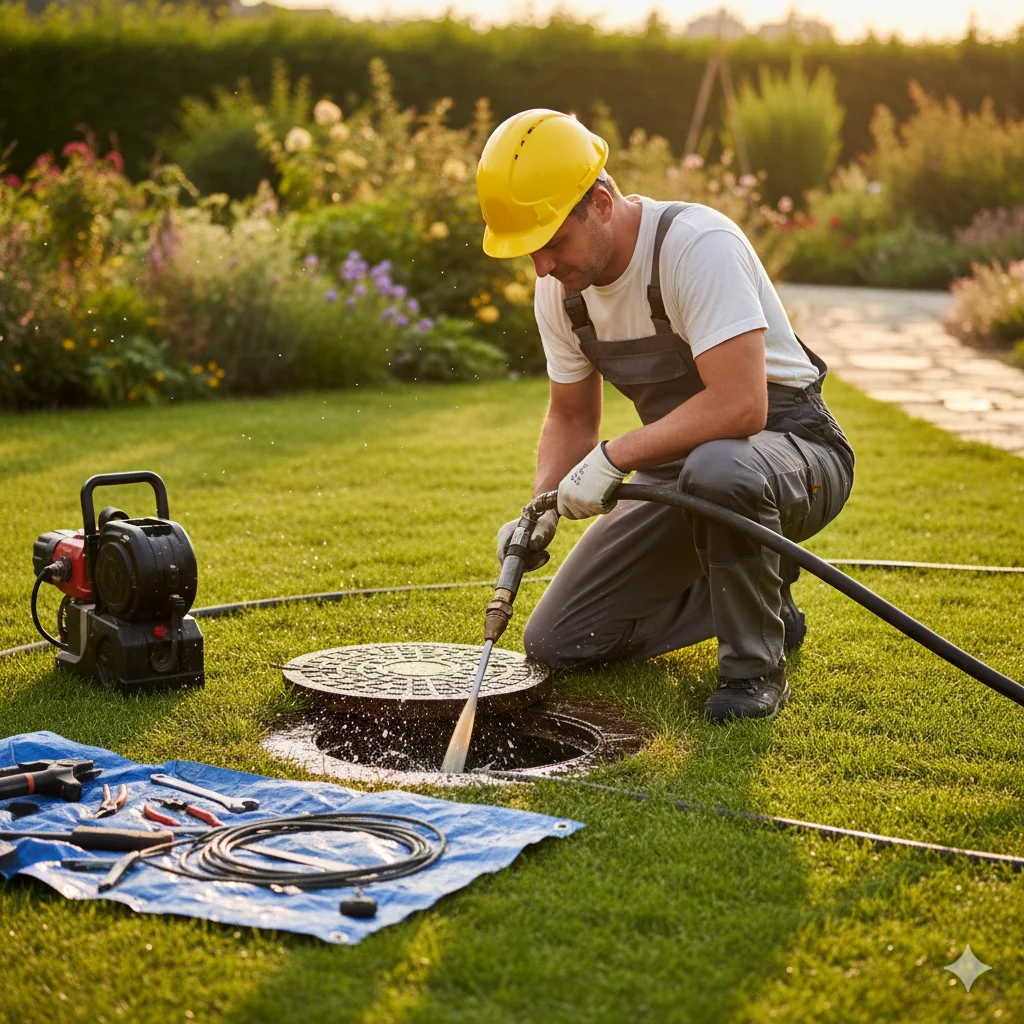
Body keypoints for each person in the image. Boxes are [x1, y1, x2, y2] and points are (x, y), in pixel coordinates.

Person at [477, 109, 854, 722]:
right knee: (559, 641)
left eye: (551, 243)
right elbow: (570, 416)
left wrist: (615, 457)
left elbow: (740, 405)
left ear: (600, 202)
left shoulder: (694, 246)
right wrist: (540, 505)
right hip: (678, 469)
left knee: (722, 468)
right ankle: (762, 592)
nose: (541, 267)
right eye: (529, 252)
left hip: (790, 448)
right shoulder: (561, 292)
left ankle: (754, 670)